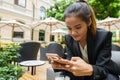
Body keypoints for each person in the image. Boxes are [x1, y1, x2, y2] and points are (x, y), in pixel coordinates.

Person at [47, 0, 120, 80]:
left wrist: (89, 69)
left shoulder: (104, 37)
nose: (73, 33)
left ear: (89, 22)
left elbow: (103, 69)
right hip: (82, 76)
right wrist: (61, 65)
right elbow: (71, 62)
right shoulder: (69, 38)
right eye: (69, 28)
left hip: (102, 74)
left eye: (78, 27)